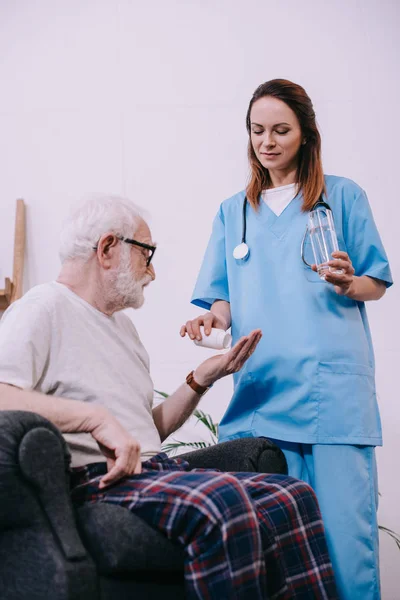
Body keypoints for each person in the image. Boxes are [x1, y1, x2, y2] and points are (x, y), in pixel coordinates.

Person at [0, 195, 338, 599]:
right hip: (101, 480)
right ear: (108, 248)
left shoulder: (123, 329)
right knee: (223, 501)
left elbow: (149, 428)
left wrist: (201, 378)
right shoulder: (42, 307)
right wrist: (92, 418)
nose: (153, 272)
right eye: (147, 254)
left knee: (291, 496)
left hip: (153, 470)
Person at [182, 79, 393, 600]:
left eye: (281, 130)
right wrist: (213, 318)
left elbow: (376, 282)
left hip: (331, 398)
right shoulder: (233, 211)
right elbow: (222, 295)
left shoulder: (340, 196)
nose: (267, 142)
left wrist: (349, 283)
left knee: (346, 546)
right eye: (258, 130)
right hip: (263, 395)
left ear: (306, 134)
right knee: (271, 553)